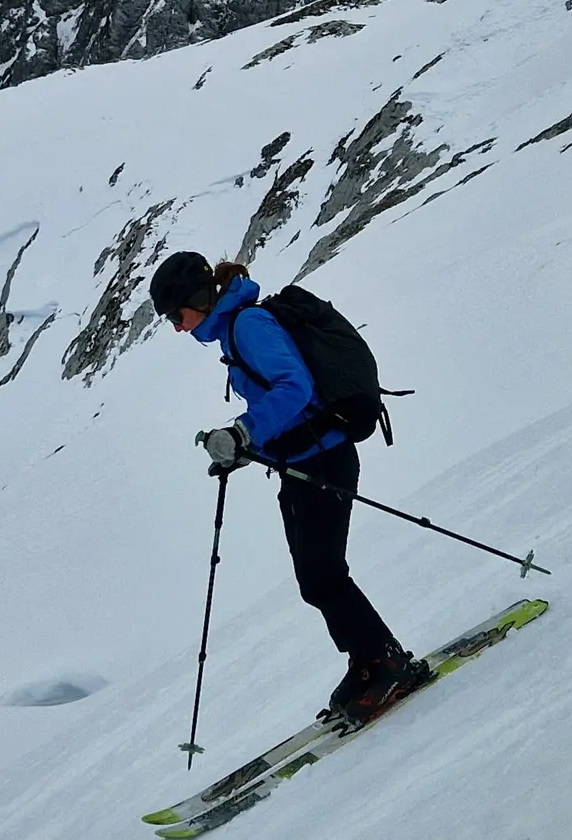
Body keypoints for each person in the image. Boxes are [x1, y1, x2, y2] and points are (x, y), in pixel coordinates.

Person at [148, 250, 426, 720]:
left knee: (323, 575)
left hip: (324, 461)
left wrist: (244, 431)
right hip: (302, 463)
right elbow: (284, 404)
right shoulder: (236, 331)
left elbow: (294, 387)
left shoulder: (248, 326)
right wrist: (241, 446)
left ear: (197, 297)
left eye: (177, 314)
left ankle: (383, 661)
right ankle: (367, 660)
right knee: (315, 578)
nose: (177, 326)